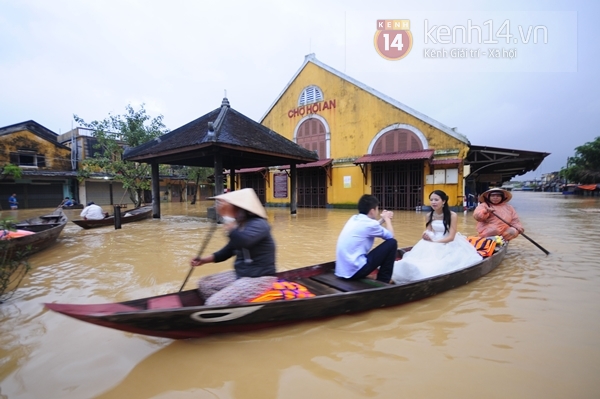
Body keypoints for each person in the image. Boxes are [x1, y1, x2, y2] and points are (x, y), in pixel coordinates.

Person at [191, 188, 278, 306]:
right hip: (240, 274)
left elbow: (244, 241)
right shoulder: (240, 225)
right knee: (204, 284)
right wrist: (203, 260)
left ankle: (221, 305)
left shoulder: (259, 224)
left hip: (258, 279)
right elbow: (229, 250)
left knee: (213, 303)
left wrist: (227, 220)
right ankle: (229, 303)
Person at [391, 190, 482, 284]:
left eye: (436, 200)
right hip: (433, 240)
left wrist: (435, 243)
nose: (433, 202)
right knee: (418, 256)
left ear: (443, 201)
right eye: (431, 200)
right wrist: (426, 235)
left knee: (438, 263)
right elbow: (429, 231)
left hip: (448, 241)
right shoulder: (429, 215)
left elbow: (451, 237)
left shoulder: (452, 215)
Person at [335, 194, 397, 283]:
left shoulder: (353, 218)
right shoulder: (370, 225)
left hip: (342, 271)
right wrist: (387, 219)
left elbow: (370, 227)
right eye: (376, 209)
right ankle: (383, 280)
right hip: (354, 272)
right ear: (372, 211)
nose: (377, 211)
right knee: (392, 243)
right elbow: (391, 236)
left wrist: (382, 220)